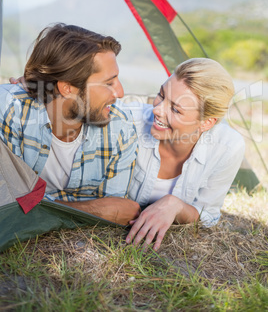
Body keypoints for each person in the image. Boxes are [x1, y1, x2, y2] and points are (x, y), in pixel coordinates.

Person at [0, 23, 140, 225]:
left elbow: (116, 212)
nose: (120, 93)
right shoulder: (10, 111)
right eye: (109, 83)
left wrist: (35, 205)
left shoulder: (120, 127)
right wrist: (90, 210)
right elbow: (9, 208)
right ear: (67, 88)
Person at [125, 58, 245, 251]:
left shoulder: (228, 147)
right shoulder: (129, 121)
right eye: (161, 95)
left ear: (207, 123)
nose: (157, 109)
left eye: (175, 109)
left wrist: (176, 206)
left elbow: (208, 214)